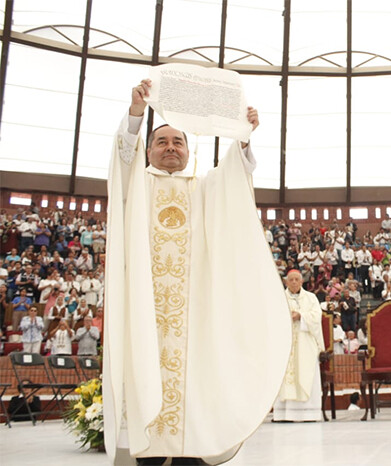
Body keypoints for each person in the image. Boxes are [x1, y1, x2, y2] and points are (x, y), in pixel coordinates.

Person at [103, 79, 291, 465]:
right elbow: (123, 158)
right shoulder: (134, 187)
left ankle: (192, 453)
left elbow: (236, 179)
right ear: (149, 151)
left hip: (196, 320)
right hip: (146, 315)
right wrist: (137, 112)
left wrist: (242, 138)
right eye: (162, 142)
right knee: (147, 395)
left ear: (190, 152)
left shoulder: (206, 187)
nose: (170, 148)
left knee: (195, 396)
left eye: (178, 142)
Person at [273, 270, 325, 422]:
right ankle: (284, 414)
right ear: (286, 282)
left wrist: (301, 316)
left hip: (305, 342)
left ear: (302, 282)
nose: (294, 282)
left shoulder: (311, 298)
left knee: (306, 370)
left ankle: (309, 413)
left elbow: (317, 316)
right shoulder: (279, 298)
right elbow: (273, 317)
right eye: (291, 280)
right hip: (285, 344)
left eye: (297, 279)